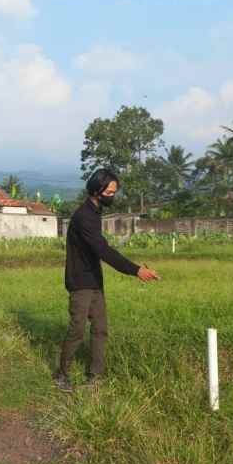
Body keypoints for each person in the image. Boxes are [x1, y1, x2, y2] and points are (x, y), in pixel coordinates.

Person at [55, 168, 160, 392]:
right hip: (80, 283)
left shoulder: (95, 213)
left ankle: (96, 377)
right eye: (109, 192)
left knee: (100, 330)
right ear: (97, 189)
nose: (112, 196)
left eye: (114, 192)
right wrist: (136, 270)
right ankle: (61, 374)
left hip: (94, 281)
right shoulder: (84, 216)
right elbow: (103, 250)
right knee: (77, 330)